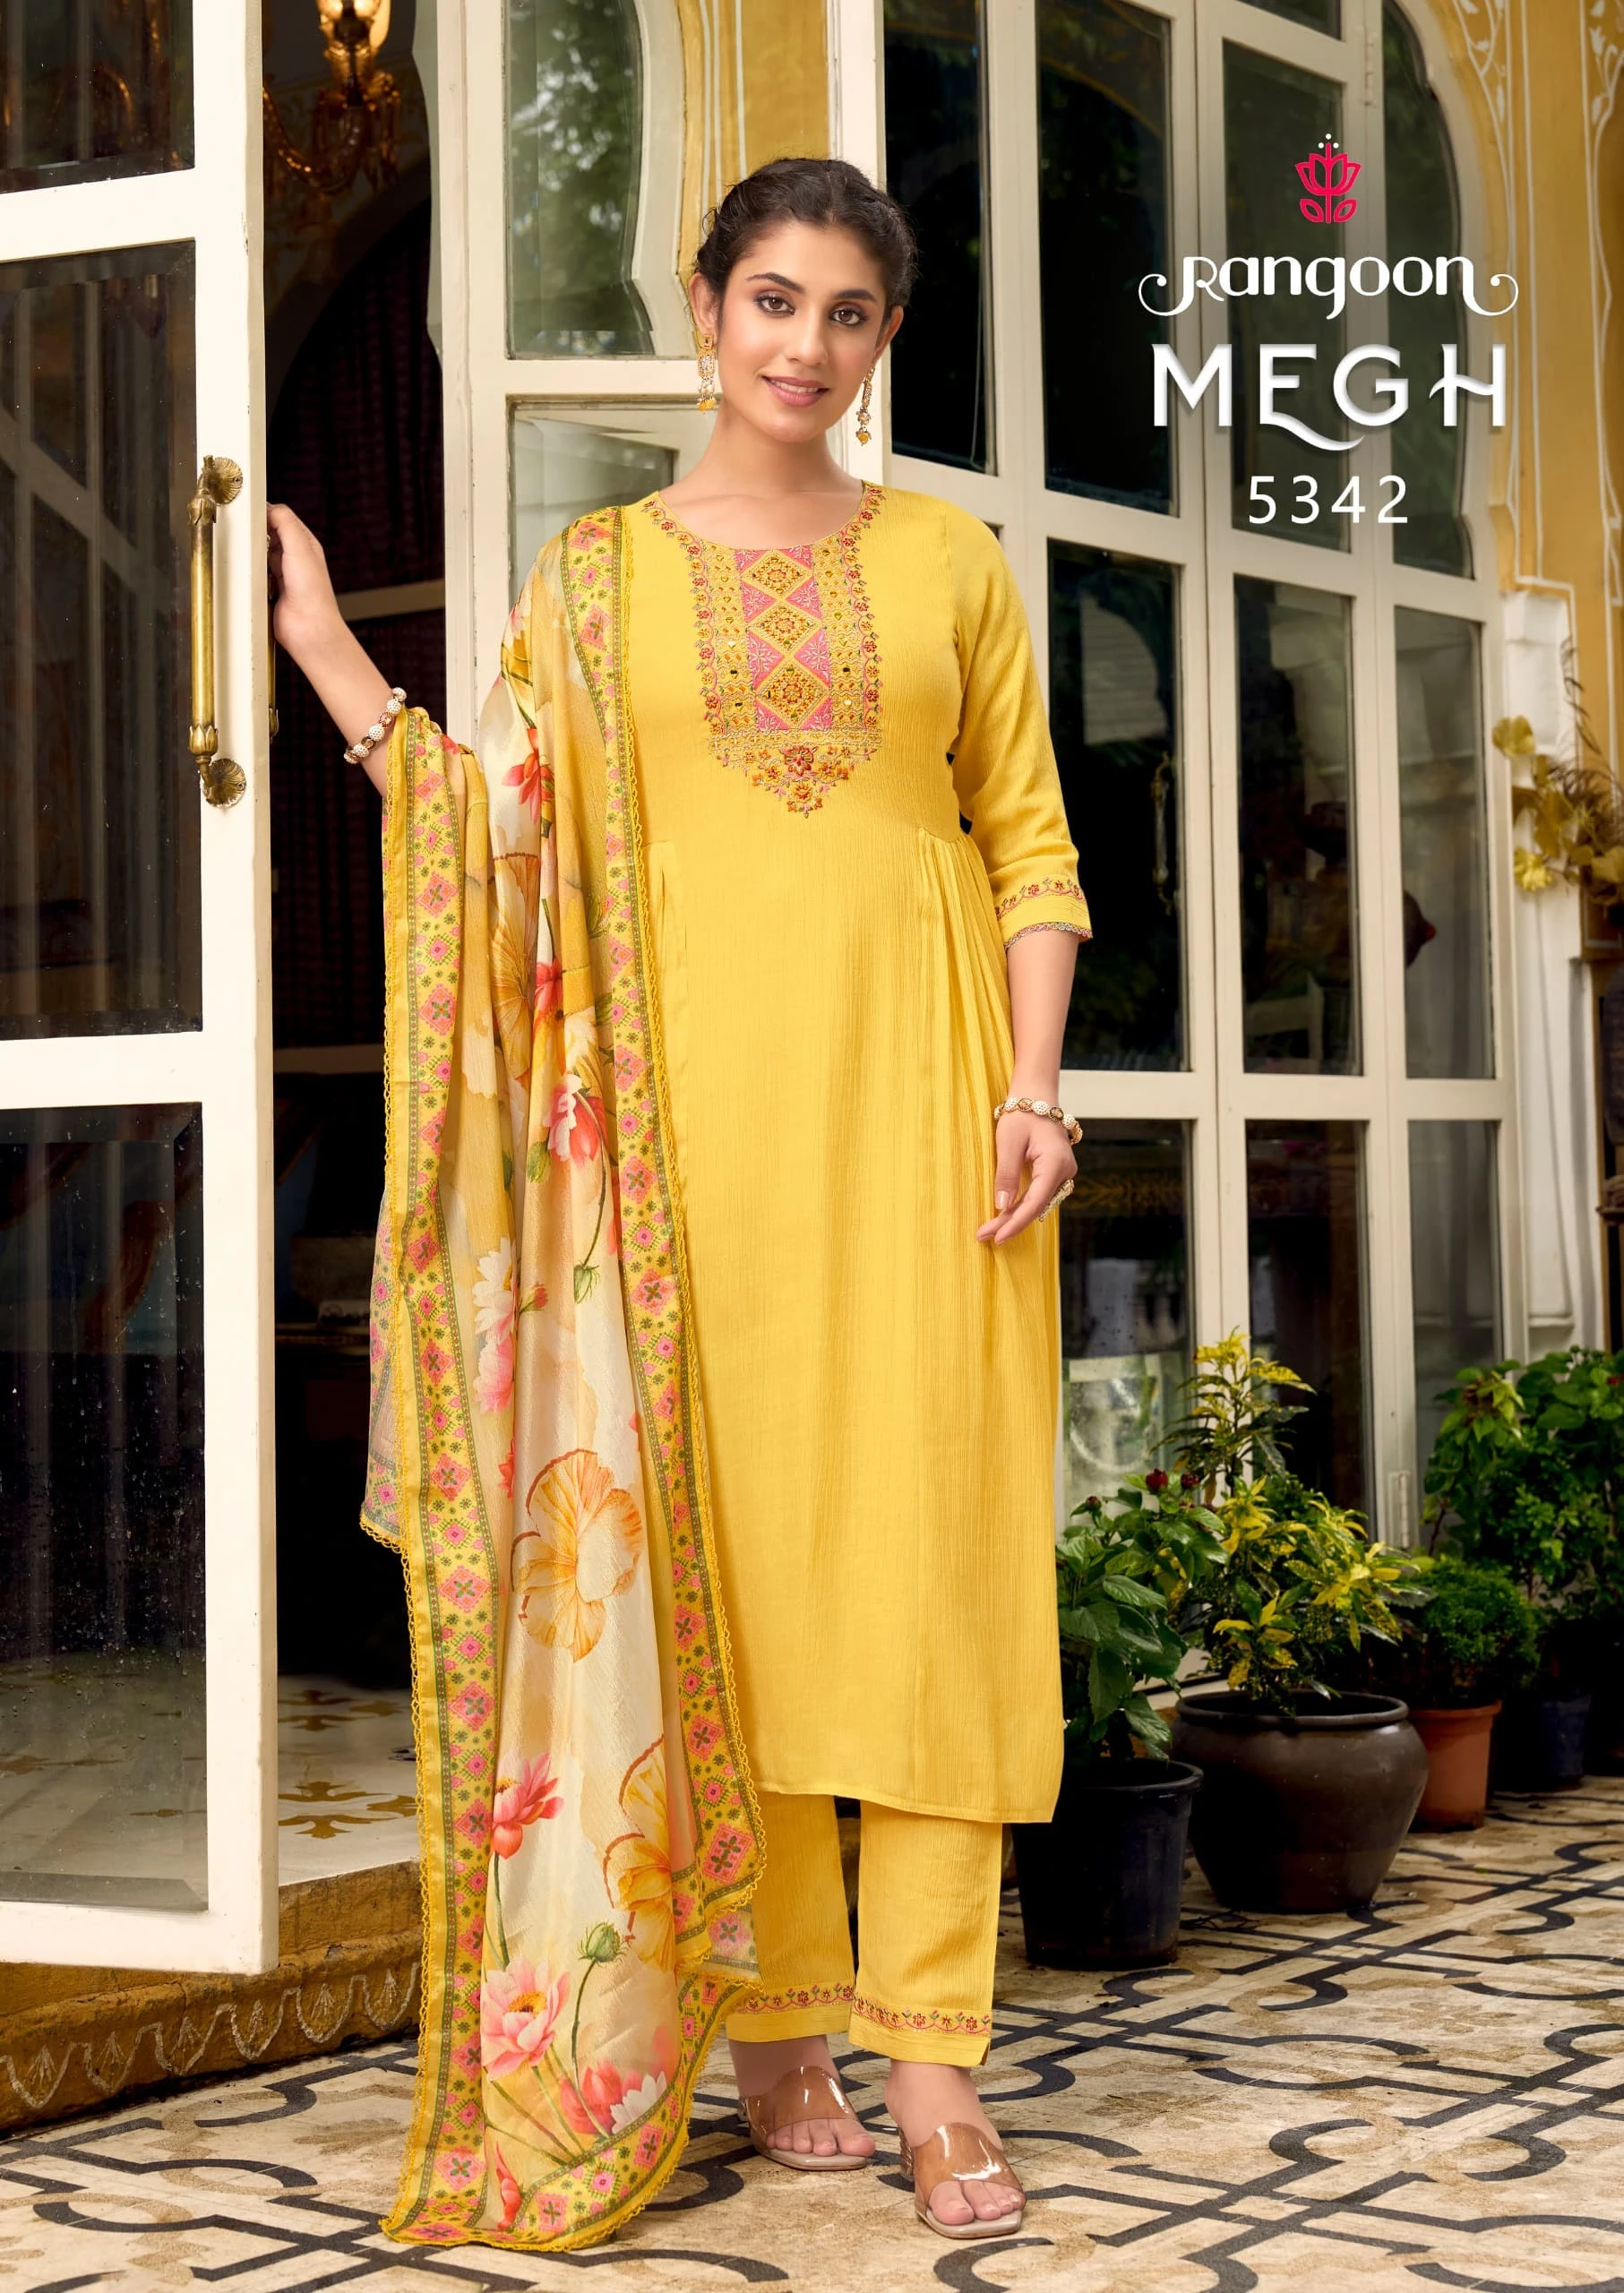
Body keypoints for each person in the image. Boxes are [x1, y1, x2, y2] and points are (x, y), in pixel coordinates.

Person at [268, 155, 1090, 2254]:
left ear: (884, 339)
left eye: (849, 312)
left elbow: (1032, 847)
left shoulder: (953, 562)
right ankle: (780, 2030)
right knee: (743, 1597)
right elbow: (496, 835)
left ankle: (935, 2066)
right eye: (773, 300)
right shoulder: (597, 579)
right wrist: (329, 656)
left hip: (927, 1144)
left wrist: (1031, 1087)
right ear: (704, 309)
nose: (806, 344)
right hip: (679, 1166)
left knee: (925, 1595)